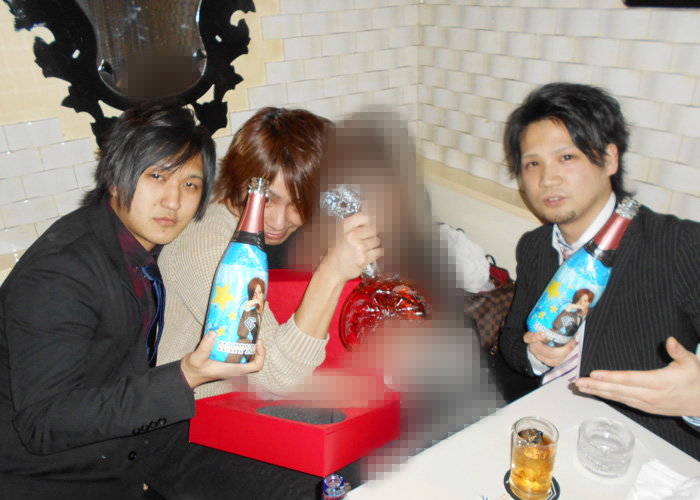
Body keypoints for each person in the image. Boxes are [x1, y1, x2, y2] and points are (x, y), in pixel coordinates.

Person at [0, 101, 268, 499]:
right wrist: (186, 375)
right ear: (114, 178)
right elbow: (43, 422)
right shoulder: (60, 273)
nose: (173, 201)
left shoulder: (139, 249)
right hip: (51, 478)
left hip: (128, 449)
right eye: (157, 175)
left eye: (190, 184)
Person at [498, 82, 700, 460]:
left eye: (567, 157)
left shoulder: (680, 246)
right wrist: (536, 356)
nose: (547, 179)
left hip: (649, 458)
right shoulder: (536, 246)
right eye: (532, 163)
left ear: (609, 159)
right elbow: (511, 339)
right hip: (549, 436)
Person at [157, 107, 383, 398]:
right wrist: (332, 272)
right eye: (267, 199)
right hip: (194, 415)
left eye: (298, 204)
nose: (277, 222)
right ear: (238, 178)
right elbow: (279, 377)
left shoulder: (262, 230)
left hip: (241, 403)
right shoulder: (209, 246)